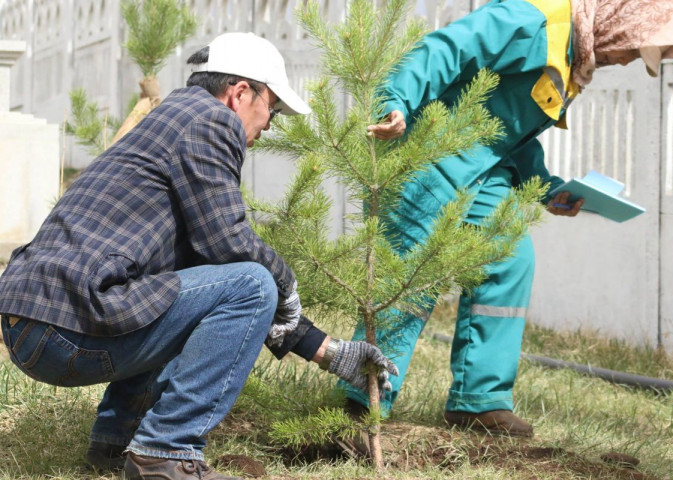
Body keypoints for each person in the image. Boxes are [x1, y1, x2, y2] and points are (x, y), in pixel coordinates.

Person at [0, 32, 398, 480]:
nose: (270, 124)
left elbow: (206, 274)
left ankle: (116, 443)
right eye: (273, 108)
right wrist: (285, 283)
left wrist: (328, 352)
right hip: (67, 329)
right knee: (254, 282)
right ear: (240, 93)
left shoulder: (174, 117)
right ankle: (165, 452)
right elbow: (230, 246)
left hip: (34, 324)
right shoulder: (210, 120)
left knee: (195, 282)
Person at [340, 0, 673, 438]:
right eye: (634, 50)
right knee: (413, 278)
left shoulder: (570, 54)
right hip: (434, 159)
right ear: (620, 24)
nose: (627, 61)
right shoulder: (532, 21)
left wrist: (546, 185)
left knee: (509, 261)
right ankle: (362, 404)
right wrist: (396, 102)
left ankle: (479, 401)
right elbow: (445, 48)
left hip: (487, 173)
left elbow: (510, 128)